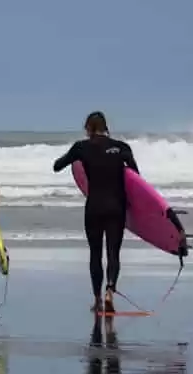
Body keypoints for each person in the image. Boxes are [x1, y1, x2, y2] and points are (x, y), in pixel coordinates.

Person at [52, 111, 139, 314]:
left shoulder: (81, 147)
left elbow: (57, 166)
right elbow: (136, 177)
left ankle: (98, 300)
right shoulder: (122, 147)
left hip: (94, 207)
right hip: (116, 206)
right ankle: (110, 290)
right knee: (113, 252)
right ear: (105, 127)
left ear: (88, 128)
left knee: (95, 253)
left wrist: (76, 159)